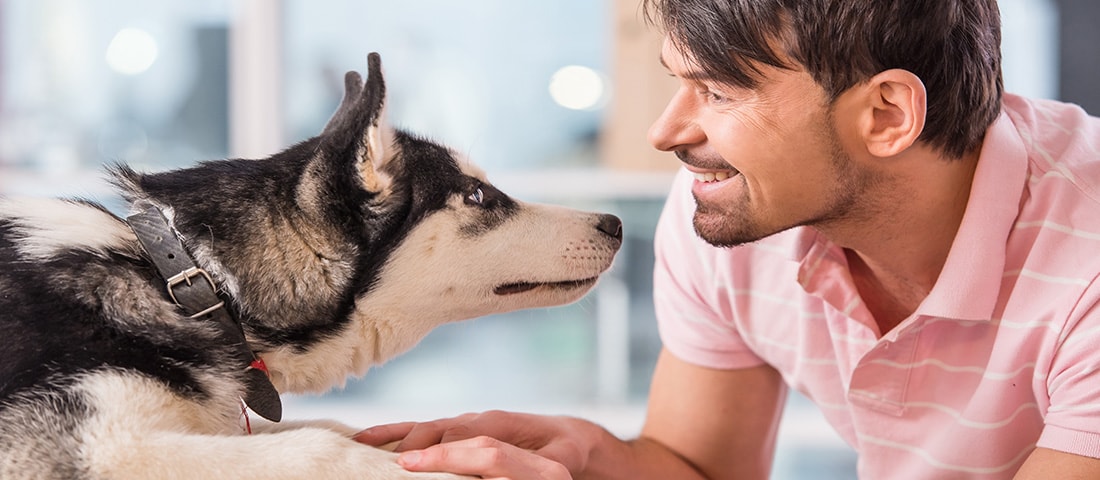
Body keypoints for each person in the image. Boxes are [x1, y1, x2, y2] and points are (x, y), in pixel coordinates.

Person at [356, 0, 1100, 478]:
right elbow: (699, 467)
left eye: (717, 92)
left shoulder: (1087, 261)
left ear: (885, 115)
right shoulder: (733, 213)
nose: (666, 132)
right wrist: (593, 460)